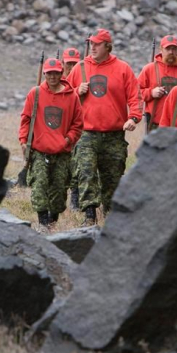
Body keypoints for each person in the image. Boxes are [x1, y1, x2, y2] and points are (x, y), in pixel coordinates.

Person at [65, 28, 142, 225]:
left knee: (113, 178)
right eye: (91, 43)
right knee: (86, 172)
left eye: (97, 44)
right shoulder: (79, 68)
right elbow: (62, 97)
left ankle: (110, 215)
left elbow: (135, 97)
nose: (93, 47)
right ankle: (89, 215)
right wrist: (76, 91)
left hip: (114, 134)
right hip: (86, 133)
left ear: (107, 46)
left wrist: (133, 118)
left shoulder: (123, 68)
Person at [18, 58, 84, 230]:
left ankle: (52, 222)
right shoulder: (35, 93)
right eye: (49, 73)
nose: (52, 76)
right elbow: (25, 119)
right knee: (39, 185)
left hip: (62, 153)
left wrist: (68, 140)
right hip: (40, 151)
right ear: (45, 74)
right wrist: (23, 141)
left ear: (61, 74)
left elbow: (78, 124)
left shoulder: (72, 96)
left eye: (55, 73)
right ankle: (42, 223)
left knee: (59, 190)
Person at [138, 35, 177, 133]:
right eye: (168, 48)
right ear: (161, 49)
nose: (171, 52)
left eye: (174, 49)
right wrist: (151, 93)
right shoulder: (149, 69)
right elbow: (135, 93)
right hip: (154, 124)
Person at [62, 46, 83, 211]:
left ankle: (75, 198)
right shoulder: (55, 78)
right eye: (68, 63)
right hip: (59, 129)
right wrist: (78, 90)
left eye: (75, 63)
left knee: (77, 163)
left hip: (77, 129)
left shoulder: (84, 76)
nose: (71, 67)